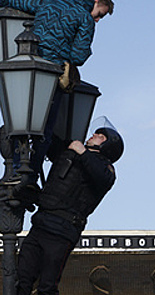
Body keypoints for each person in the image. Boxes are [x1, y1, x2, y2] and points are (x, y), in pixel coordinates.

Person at [0, 0, 114, 185]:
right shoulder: (84, 19)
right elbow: (78, 56)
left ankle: (15, 169)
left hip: (28, 68)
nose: (97, 20)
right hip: (51, 76)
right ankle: (30, 175)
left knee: (21, 120)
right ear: (94, 2)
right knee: (44, 130)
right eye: (99, 14)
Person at [15, 125, 124, 295]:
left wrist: (83, 152)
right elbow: (49, 139)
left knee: (47, 287)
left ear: (107, 146)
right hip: (41, 224)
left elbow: (101, 176)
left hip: (62, 232)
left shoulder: (106, 168)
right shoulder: (69, 152)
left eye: (101, 136)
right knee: (22, 280)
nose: (94, 135)